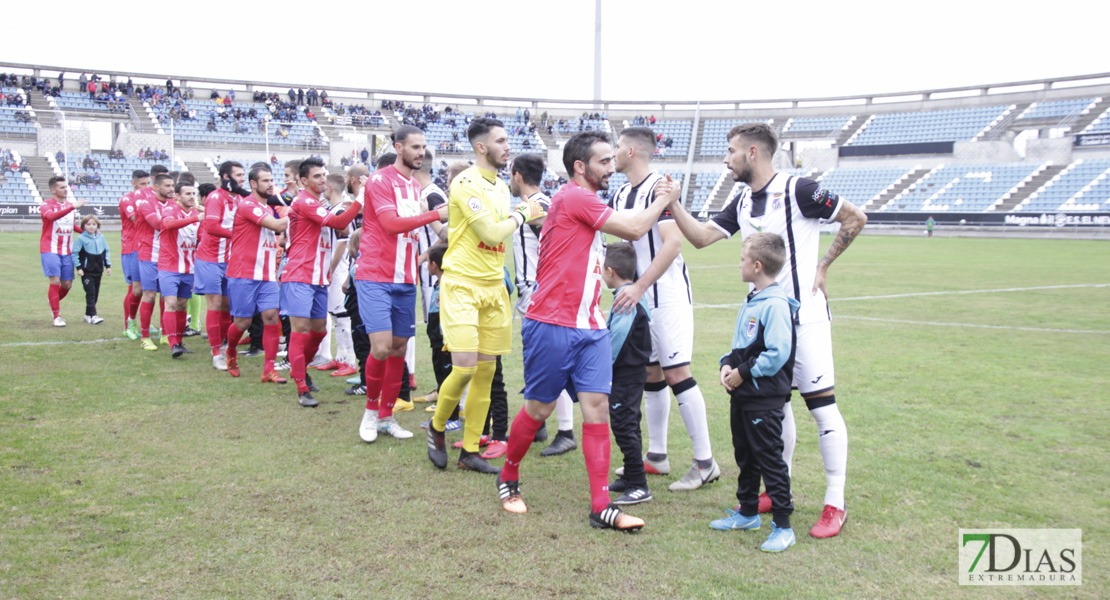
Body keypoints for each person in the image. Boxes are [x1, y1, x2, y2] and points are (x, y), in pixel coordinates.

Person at [665, 122, 868, 539]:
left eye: (732, 151)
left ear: (753, 152)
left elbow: (855, 217)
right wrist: (674, 204)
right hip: (762, 320)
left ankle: (835, 502)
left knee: (821, 405)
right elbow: (703, 238)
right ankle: (779, 491)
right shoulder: (741, 201)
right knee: (777, 408)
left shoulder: (800, 189)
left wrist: (823, 265)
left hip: (804, 319)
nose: (726, 158)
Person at [493, 131, 679, 531]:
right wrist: (665, 198)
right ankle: (508, 475)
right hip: (552, 322)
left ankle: (601, 506)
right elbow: (631, 229)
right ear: (580, 167)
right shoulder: (573, 196)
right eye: (604, 162)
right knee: (539, 409)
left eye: (613, 160)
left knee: (596, 409)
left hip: (590, 324)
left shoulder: (584, 199)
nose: (612, 168)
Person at [425, 117, 545, 474]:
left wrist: (524, 212)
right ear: (482, 147)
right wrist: (526, 212)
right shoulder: (465, 183)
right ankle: (437, 427)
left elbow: (501, 231)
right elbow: (492, 234)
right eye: (501, 141)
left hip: (495, 287)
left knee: (486, 371)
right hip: (462, 284)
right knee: (463, 368)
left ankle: (472, 449)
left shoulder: (501, 188)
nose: (508, 147)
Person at [609, 127, 720, 492]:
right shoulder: (623, 192)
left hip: (666, 295)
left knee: (677, 372)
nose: (614, 151)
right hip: (639, 297)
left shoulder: (661, 188)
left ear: (633, 152)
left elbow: (672, 244)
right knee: (651, 374)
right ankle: (657, 455)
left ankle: (706, 463)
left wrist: (640, 285)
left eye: (618, 146)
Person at [355, 126, 447, 443]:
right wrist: (435, 213)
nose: (421, 152)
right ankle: (369, 413)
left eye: (423, 147)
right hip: (375, 276)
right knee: (380, 347)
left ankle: (386, 416)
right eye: (415, 147)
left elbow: (421, 227)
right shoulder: (380, 180)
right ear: (399, 147)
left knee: (399, 349)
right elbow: (392, 225)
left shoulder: (413, 185)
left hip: (405, 278)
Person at [711, 232, 799, 553]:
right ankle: (747, 512)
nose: (739, 263)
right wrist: (726, 364)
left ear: (757, 266)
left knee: (769, 459)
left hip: (763, 397)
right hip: (744, 396)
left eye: (743, 259)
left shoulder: (774, 305)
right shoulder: (753, 299)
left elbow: (776, 353)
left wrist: (742, 374)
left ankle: (784, 526)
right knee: (745, 455)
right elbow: (743, 347)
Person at [282, 157, 362, 407]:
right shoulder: (304, 202)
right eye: (317, 176)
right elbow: (339, 223)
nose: (322, 180)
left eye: (324, 175)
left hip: (317, 277)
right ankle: (301, 386)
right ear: (304, 180)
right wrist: (362, 198)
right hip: (298, 274)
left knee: (319, 330)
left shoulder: (317, 203)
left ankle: (300, 368)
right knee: (300, 330)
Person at [508, 154, 566, 454]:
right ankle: (542, 426)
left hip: (536, 290)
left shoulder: (537, 205)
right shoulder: (542, 202)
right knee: (537, 359)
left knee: (548, 360)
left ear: (517, 176)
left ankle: (563, 430)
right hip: (532, 289)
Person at [222, 165, 290, 383]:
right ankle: (230, 352)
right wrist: (299, 207)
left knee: (270, 317)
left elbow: (275, 235)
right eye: (265, 181)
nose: (271, 184)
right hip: (244, 273)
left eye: (272, 180)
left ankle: (268, 370)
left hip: (267, 274)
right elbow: (279, 224)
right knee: (242, 322)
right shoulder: (248, 205)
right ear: (253, 184)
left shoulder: (267, 207)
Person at [599, 242, 653, 505]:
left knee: (623, 425)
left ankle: (640, 485)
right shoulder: (629, 296)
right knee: (628, 422)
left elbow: (616, 341)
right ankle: (632, 475)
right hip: (630, 374)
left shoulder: (626, 301)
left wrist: (600, 368)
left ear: (610, 271)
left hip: (626, 375)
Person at [196, 161, 246, 370]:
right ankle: (216, 352)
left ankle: (224, 344)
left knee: (228, 305)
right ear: (226, 177)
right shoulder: (216, 197)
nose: (242, 179)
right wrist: (238, 235)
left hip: (230, 259)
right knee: (215, 304)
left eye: (244, 175)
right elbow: (212, 226)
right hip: (209, 258)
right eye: (238, 175)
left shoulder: (241, 198)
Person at [158, 181, 201, 359]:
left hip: (189, 268)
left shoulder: (197, 213)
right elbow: (168, 224)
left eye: (194, 193)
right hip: (169, 266)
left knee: (183, 304)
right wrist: (196, 218)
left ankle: (179, 341)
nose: (192, 197)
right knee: (171, 303)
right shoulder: (170, 210)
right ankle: (173, 343)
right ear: (177, 196)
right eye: (187, 194)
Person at [134, 173, 176, 350]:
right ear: (157, 187)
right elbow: (158, 224)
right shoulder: (146, 203)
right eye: (167, 186)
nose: (171, 189)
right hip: (149, 254)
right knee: (149, 295)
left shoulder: (174, 204)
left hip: (168, 255)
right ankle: (145, 336)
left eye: (172, 185)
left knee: (166, 295)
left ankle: (164, 333)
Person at [40, 176, 88, 327]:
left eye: (66, 187)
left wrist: (87, 233)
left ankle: (52, 300)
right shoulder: (45, 205)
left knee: (67, 284)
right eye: (61, 187)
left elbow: (71, 225)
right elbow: (52, 217)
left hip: (67, 250)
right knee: (55, 281)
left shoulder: (68, 205)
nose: (65, 189)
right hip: (50, 249)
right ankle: (57, 316)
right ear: (53, 190)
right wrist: (73, 207)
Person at [119, 170, 150, 338]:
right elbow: (136, 220)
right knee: (134, 289)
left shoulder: (150, 199)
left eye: (147, 184)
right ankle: (128, 324)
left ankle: (146, 322)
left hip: (147, 247)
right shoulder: (127, 199)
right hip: (131, 248)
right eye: (142, 184)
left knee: (148, 289)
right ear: (134, 184)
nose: (145, 187)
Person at [72, 215, 111, 325]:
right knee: (91, 292)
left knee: (96, 293)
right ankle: (94, 315)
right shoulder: (81, 239)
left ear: (97, 226)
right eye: (88, 224)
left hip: (98, 270)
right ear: (83, 226)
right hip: (86, 271)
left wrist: (107, 265)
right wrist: (79, 267)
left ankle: (87, 314)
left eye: (94, 224)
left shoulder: (101, 237)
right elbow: (75, 253)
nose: (91, 227)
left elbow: (106, 251)